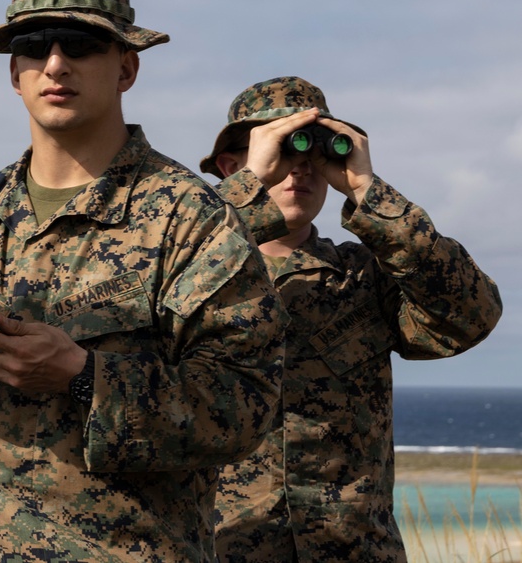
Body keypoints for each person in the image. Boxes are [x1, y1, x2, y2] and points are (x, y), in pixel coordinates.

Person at [0, 0, 289, 562]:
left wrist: (86, 378)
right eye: (34, 46)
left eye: (80, 43)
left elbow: (245, 404)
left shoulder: (190, 220)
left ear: (126, 67)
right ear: (13, 74)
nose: (55, 63)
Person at [199, 76, 503, 562]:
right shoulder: (188, 275)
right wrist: (246, 191)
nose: (299, 171)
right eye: (282, 152)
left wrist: (369, 193)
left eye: (316, 155)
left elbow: (471, 317)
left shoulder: (364, 276)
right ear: (232, 165)